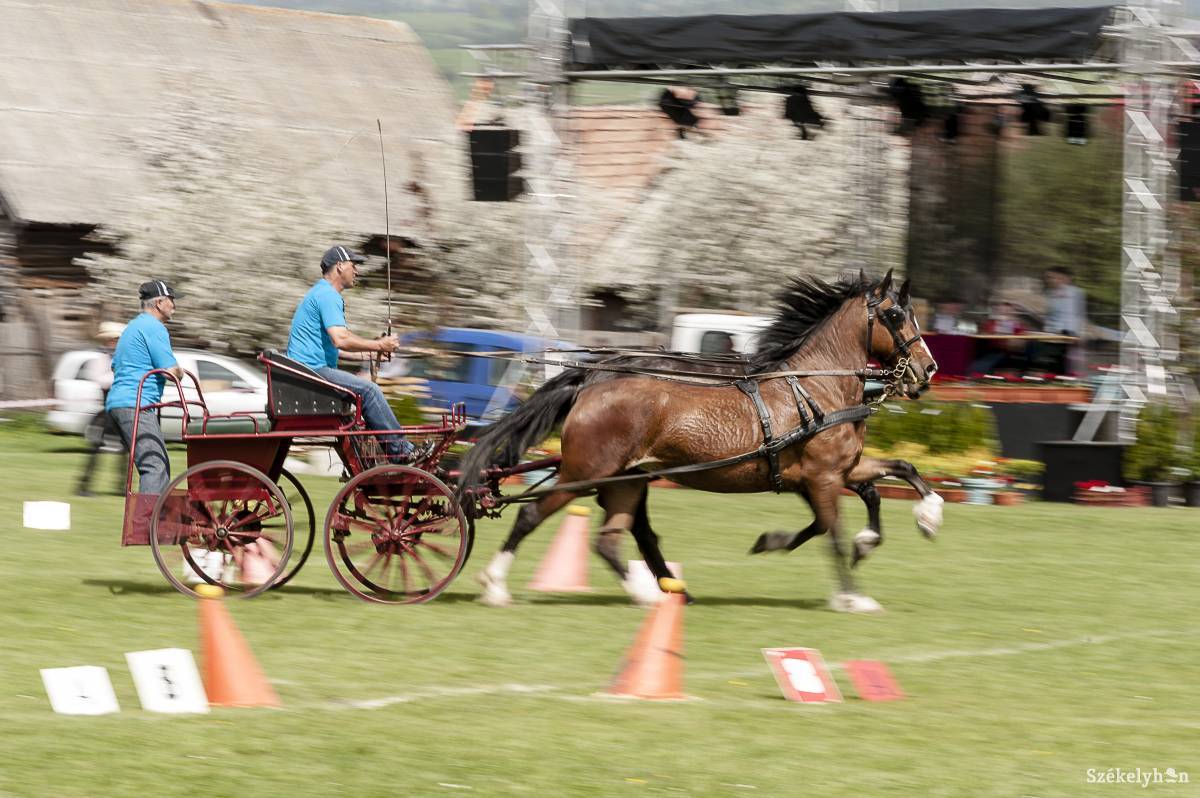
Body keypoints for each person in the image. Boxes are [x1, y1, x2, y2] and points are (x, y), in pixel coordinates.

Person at [286, 245, 424, 462]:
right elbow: (341, 339)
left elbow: (333, 347)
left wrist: (371, 352)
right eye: (354, 265)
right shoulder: (328, 296)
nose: (357, 271)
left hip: (309, 373)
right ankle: (400, 451)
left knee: (366, 389)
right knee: (369, 390)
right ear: (339, 266)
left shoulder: (320, 293)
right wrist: (379, 346)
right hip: (312, 375)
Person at [107, 281, 183, 496]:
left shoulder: (132, 327)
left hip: (119, 403)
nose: (174, 305)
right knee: (154, 466)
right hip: (136, 405)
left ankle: (151, 523)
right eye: (172, 300)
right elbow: (169, 370)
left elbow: (116, 366)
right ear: (159, 303)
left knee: (156, 464)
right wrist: (181, 372)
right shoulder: (154, 328)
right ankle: (146, 527)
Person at [76, 321, 128, 496]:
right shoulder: (100, 359)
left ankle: (121, 487)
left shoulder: (123, 359)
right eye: (112, 339)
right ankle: (83, 486)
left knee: (126, 448)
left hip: (121, 408)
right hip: (106, 408)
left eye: (117, 339)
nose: (114, 342)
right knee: (95, 448)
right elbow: (100, 380)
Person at [1036, 266, 1086, 374]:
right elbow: (1050, 315)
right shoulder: (1050, 293)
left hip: (1067, 333)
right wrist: (1047, 331)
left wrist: (1077, 334)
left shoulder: (1075, 293)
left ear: (1064, 278)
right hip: (1052, 334)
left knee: (1065, 363)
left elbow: (1078, 314)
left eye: (1053, 277)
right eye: (1048, 277)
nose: (1050, 280)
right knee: (1051, 361)